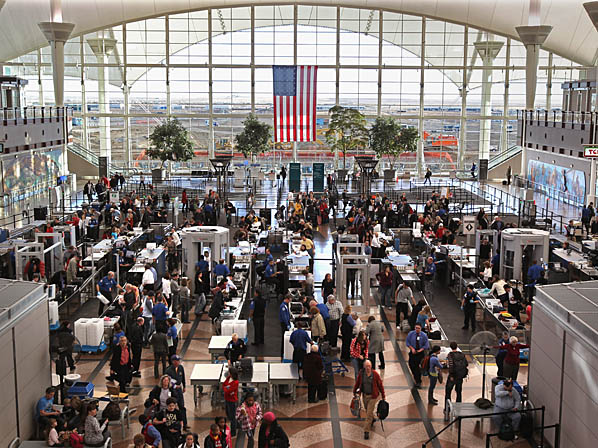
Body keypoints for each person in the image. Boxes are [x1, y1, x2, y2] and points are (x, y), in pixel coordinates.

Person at [353, 360, 385, 440]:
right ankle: (373, 418)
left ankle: (366, 431)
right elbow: (358, 383)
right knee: (368, 410)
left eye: (369, 366)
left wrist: (383, 395)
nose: (368, 368)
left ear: (371, 367)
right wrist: (355, 391)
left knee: (368, 414)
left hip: (373, 396)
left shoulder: (375, 374)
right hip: (364, 395)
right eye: (366, 366)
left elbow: (380, 385)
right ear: (364, 366)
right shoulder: (361, 374)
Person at [165, 355, 188, 430]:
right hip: (173, 390)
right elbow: (168, 381)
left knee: (182, 407)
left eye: (178, 360)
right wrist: (174, 386)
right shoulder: (168, 370)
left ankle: (185, 423)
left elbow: (183, 377)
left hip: (179, 390)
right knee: (173, 407)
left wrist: (184, 386)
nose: (177, 362)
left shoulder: (181, 368)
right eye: (176, 361)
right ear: (172, 361)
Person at [406, 323, 429, 388]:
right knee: (411, 364)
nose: (417, 329)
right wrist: (412, 349)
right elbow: (407, 342)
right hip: (413, 352)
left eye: (418, 328)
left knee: (416, 367)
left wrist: (420, 350)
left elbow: (426, 345)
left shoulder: (424, 335)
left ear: (421, 328)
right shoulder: (411, 334)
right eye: (416, 328)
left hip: (420, 353)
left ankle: (418, 381)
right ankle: (416, 376)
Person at [223, 367, 239, 438]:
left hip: (232, 401)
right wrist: (226, 388)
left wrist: (227, 388)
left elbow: (228, 390)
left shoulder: (236, 382)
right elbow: (224, 385)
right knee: (228, 414)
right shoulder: (229, 378)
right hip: (227, 399)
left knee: (232, 417)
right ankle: (237, 425)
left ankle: (233, 432)